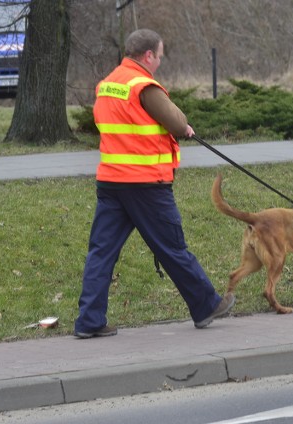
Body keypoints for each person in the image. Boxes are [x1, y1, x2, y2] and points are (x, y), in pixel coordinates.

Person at [74, 28, 235, 338]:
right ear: (148, 55)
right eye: (159, 56)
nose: (159, 62)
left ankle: (89, 321)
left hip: (111, 182)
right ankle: (206, 305)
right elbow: (174, 122)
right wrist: (183, 126)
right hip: (146, 184)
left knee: (101, 252)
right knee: (172, 248)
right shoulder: (143, 84)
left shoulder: (108, 84)